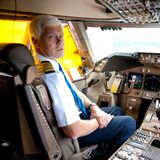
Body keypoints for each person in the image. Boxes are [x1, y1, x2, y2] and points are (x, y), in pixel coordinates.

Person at [28, 15, 136, 159]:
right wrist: (98, 121)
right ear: (35, 42)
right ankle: (102, 155)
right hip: (74, 134)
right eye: (52, 37)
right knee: (129, 123)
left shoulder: (49, 64)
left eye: (61, 36)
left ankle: (104, 144)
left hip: (79, 115)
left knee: (117, 110)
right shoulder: (52, 77)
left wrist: (93, 107)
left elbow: (75, 92)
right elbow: (73, 131)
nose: (60, 42)